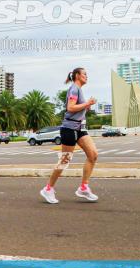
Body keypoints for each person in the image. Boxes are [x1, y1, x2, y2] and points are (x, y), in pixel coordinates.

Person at [40, 67, 99, 204]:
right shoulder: (74, 88)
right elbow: (70, 108)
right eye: (84, 74)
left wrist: (86, 106)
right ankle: (48, 189)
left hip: (80, 128)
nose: (86, 76)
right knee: (65, 160)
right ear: (77, 75)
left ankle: (83, 187)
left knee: (93, 155)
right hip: (69, 128)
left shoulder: (79, 89)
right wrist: (87, 103)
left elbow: (77, 107)